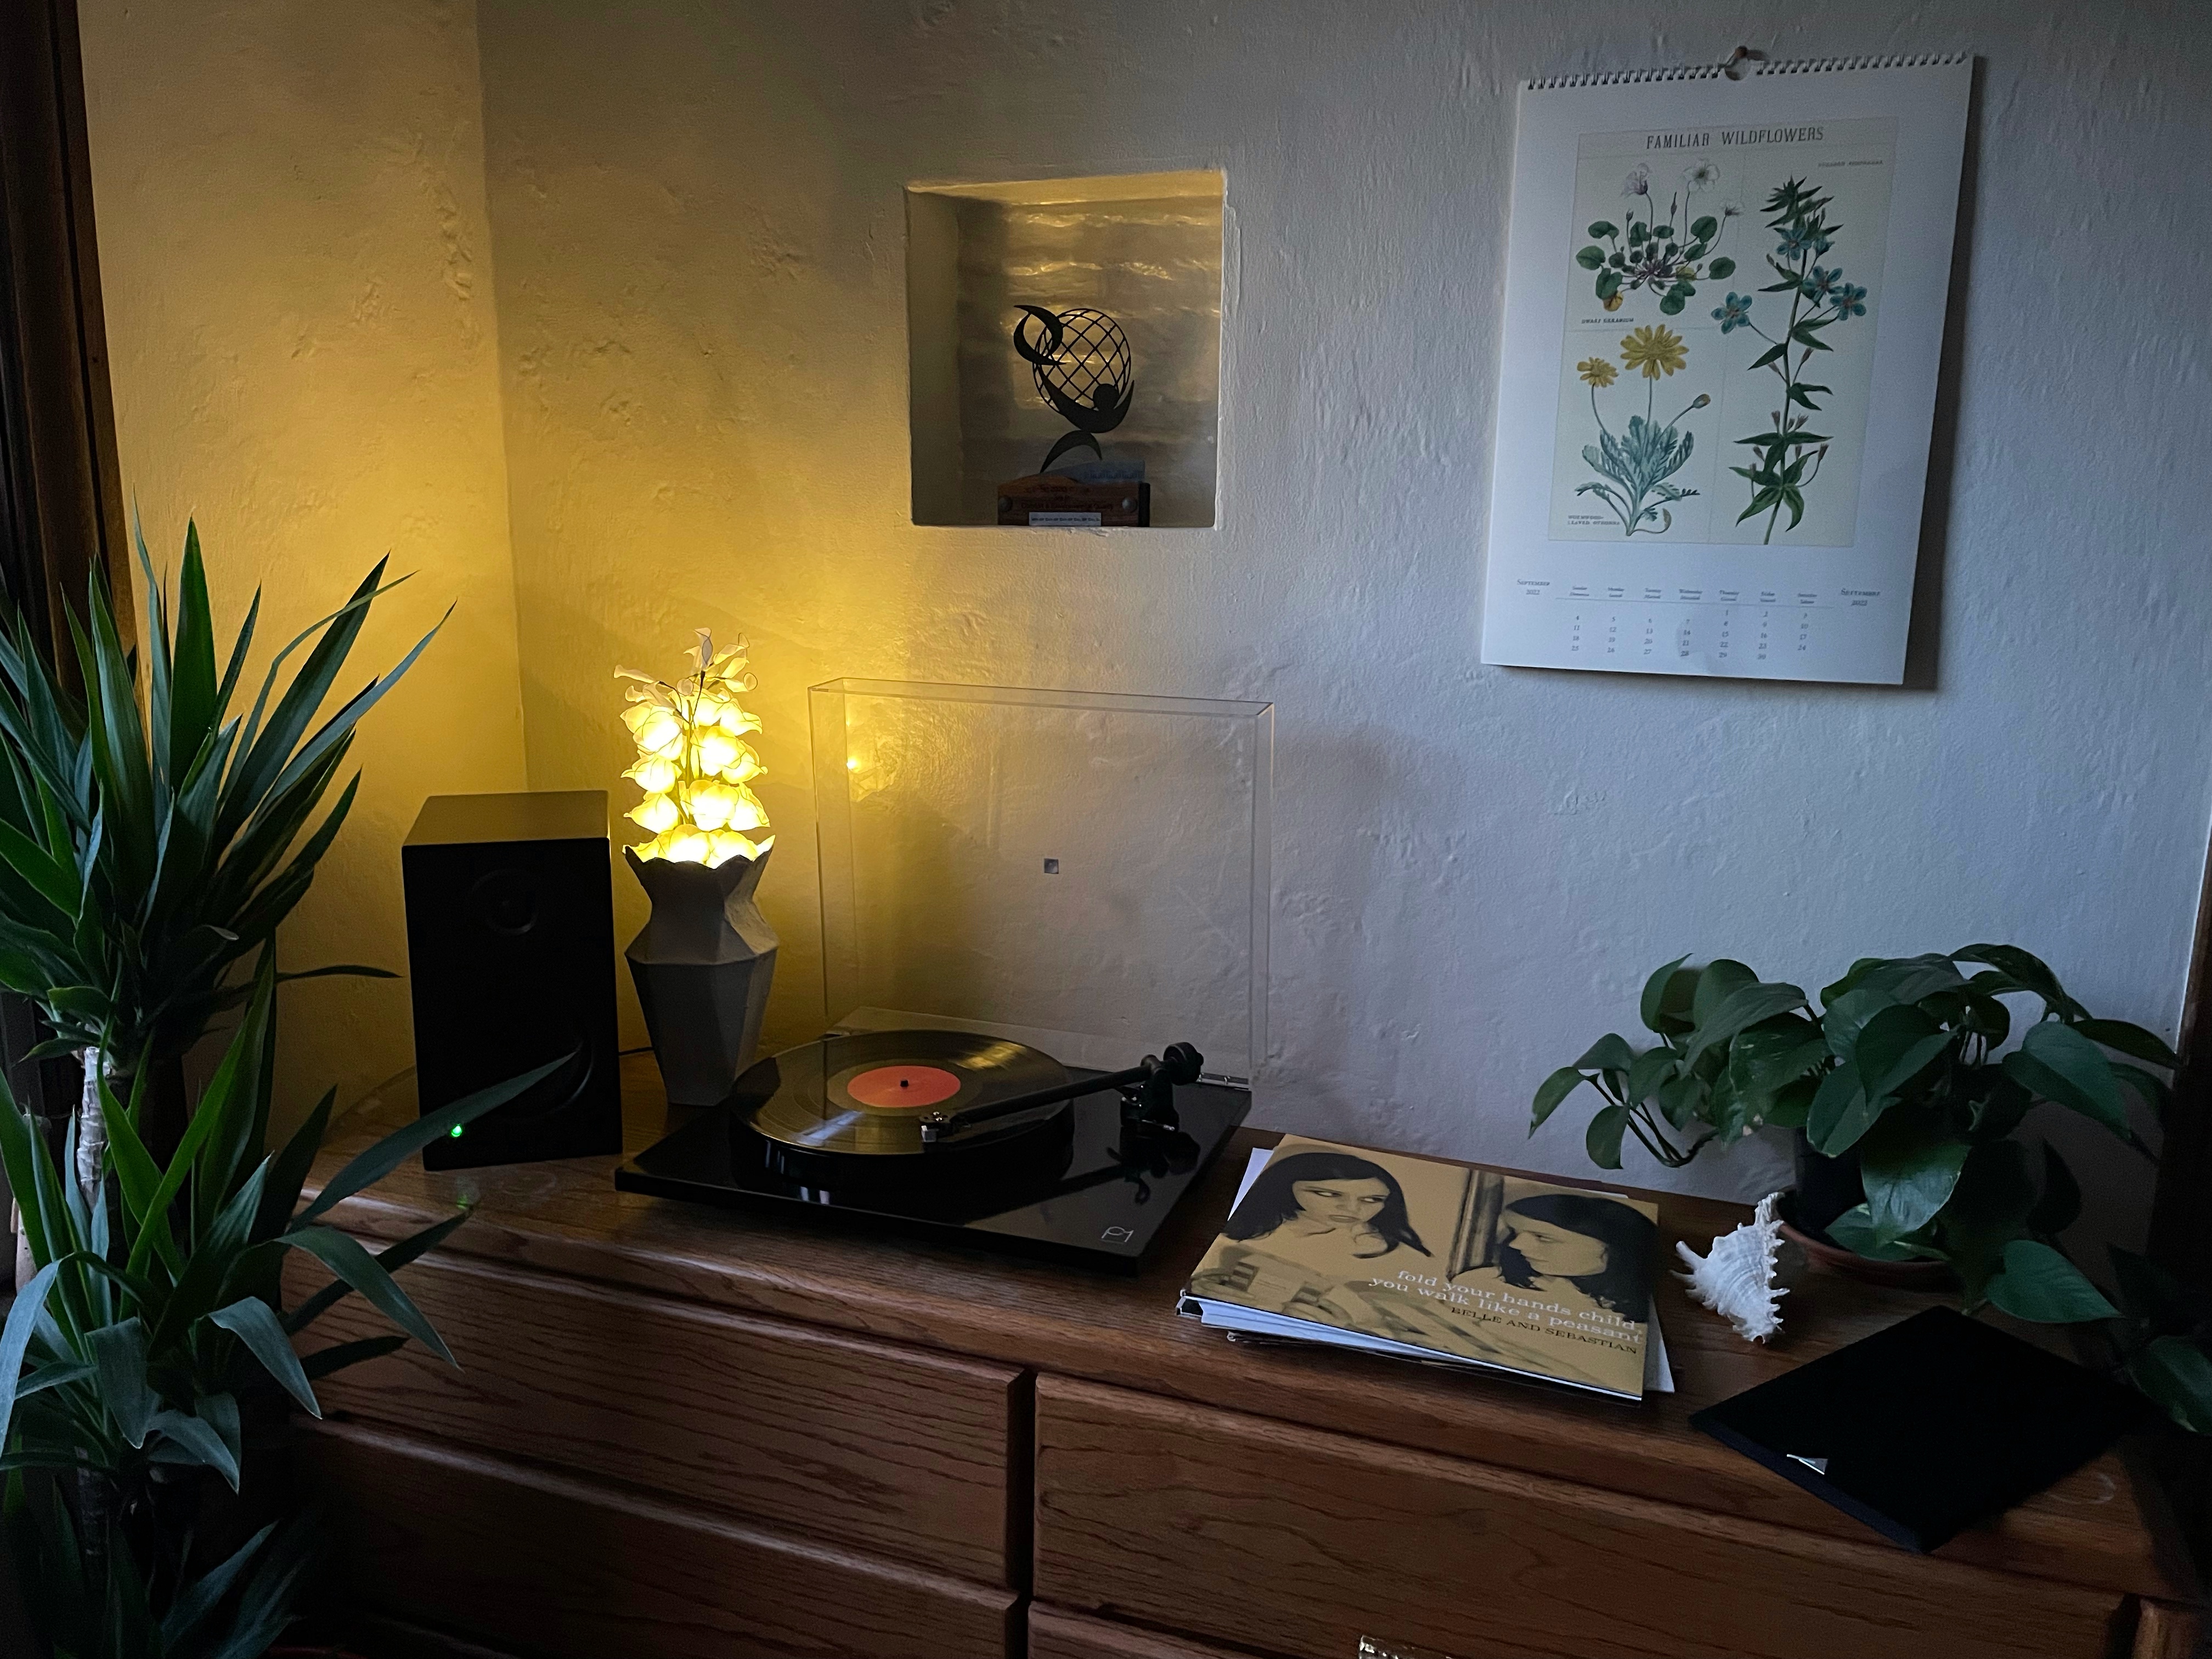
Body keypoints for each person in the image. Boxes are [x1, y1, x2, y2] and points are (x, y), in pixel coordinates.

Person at [1186, 1152, 1431, 1322]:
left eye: (1372, 1200)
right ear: (1285, 1186)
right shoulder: (1232, 1231)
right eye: (1329, 1194)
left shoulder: (1384, 1249)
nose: (1353, 1210)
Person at [1449, 1191, 1654, 1323]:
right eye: (1515, 1232)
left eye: (1543, 1238)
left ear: (1615, 1247)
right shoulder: (1483, 1283)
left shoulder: (1645, 1307)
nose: (1516, 1244)